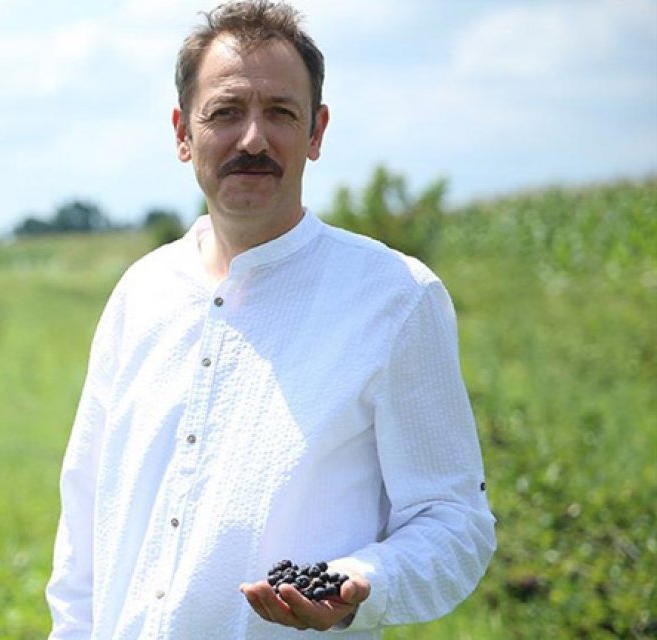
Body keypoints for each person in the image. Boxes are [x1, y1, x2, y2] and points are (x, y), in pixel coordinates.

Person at [44, 1, 497, 638]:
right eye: (225, 112)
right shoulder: (140, 292)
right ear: (183, 132)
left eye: (280, 113)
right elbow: (85, 518)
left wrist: (366, 581)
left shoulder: (396, 297)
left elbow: (455, 524)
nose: (252, 139)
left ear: (316, 132)